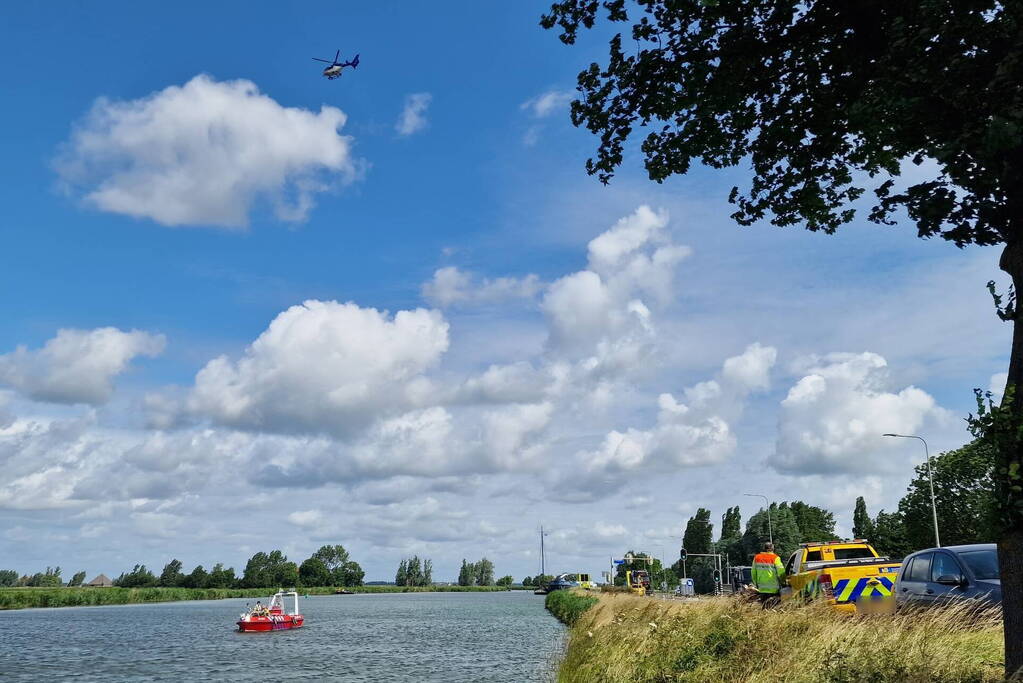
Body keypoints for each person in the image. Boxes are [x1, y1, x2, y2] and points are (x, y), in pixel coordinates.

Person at [752, 542, 786, 607]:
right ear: (773, 549)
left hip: (762, 588)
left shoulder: (757, 558)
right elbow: (781, 572)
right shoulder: (775, 558)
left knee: (764, 607)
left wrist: (755, 583)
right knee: (774, 608)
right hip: (774, 589)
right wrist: (783, 582)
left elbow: (753, 572)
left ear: (764, 548)